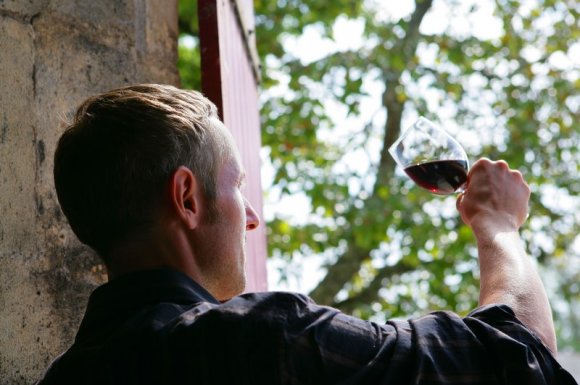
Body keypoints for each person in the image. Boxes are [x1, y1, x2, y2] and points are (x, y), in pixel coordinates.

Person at [36, 84, 576, 385]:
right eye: (237, 186)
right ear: (187, 199)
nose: (251, 218)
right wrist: (498, 225)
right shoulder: (263, 340)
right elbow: (518, 363)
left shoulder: (66, 379)